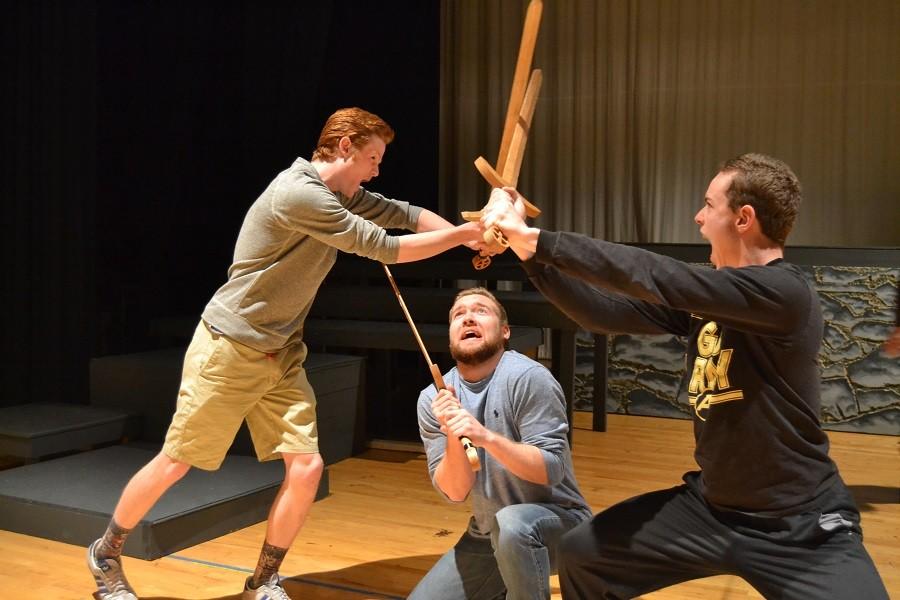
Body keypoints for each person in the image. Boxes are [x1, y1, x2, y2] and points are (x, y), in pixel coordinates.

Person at [87, 107, 486, 600]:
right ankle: (105, 553)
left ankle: (264, 579)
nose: (376, 170)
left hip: (282, 351)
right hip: (231, 347)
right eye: (372, 158)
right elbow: (382, 246)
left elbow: (400, 213)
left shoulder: (343, 193)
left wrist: (469, 243)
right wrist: (464, 236)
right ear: (345, 148)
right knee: (176, 462)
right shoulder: (299, 194)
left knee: (307, 467)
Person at [481, 153, 888, 599]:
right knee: (586, 555)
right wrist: (527, 254)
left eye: (709, 205)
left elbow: (657, 275)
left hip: (797, 524)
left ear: (743, 218)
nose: (698, 217)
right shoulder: (712, 298)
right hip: (711, 510)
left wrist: (537, 239)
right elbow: (601, 311)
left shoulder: (785, 294)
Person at [409, 287, 591, 600]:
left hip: (562, 526)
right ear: (451, 335)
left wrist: (486, 437)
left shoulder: (529, 378)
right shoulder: (433, 398)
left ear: (504, 332)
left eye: (481, 310)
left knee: (513, 525)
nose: (468, 317)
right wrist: (454, 433)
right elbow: (454, 492)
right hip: (487, 534)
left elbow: (552, 470)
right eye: (458, 314)